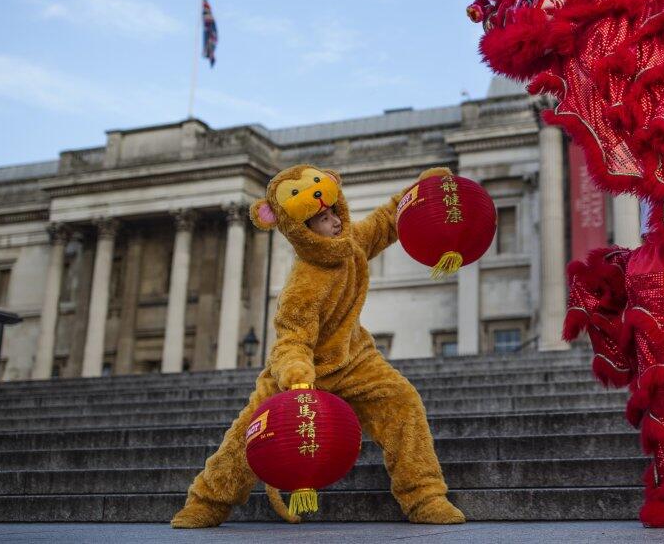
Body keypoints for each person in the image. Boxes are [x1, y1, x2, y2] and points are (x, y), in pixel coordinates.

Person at [171, 164, 465, 527]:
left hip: (356, 358)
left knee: (403, 403)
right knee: (248, 436)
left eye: (333, 212)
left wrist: (420, 191)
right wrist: (296, 373)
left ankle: (425, 498)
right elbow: (291, 338)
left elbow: (389, 221)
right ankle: (206, 503)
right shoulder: (303, 284)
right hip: (304, 373)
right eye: (322, 219)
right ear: (303, 231)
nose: (335, 222)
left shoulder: (353, 242)